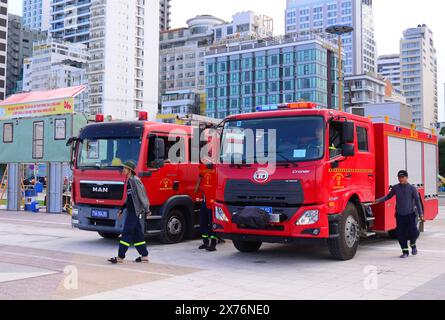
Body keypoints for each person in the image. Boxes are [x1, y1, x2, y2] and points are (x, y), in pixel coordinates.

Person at [373, 170, 425, 259]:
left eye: (402, 177)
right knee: (401, 234)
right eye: (399, 177)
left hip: (410, 215)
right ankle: (405, 251)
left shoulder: (412, 188)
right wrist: (379, 200)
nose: (400, 179)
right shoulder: (396, 188)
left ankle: (413, 244)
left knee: (414, 232)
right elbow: (388, 196)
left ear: (406, 177)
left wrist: (421, 214)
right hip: (400, 216)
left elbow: (417, 202)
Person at [108, 161, 151, 264]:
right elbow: (130, 199)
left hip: (134, 212)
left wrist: (147, 209)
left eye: (125, 168)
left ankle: (120, 257)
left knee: (126, 233)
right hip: (132, 210)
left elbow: (142, 195)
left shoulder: (135, 181)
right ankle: (144, 255)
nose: (123, 170)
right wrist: (122, 209)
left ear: (129, 170)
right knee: (138, 234)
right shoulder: (129, 181)